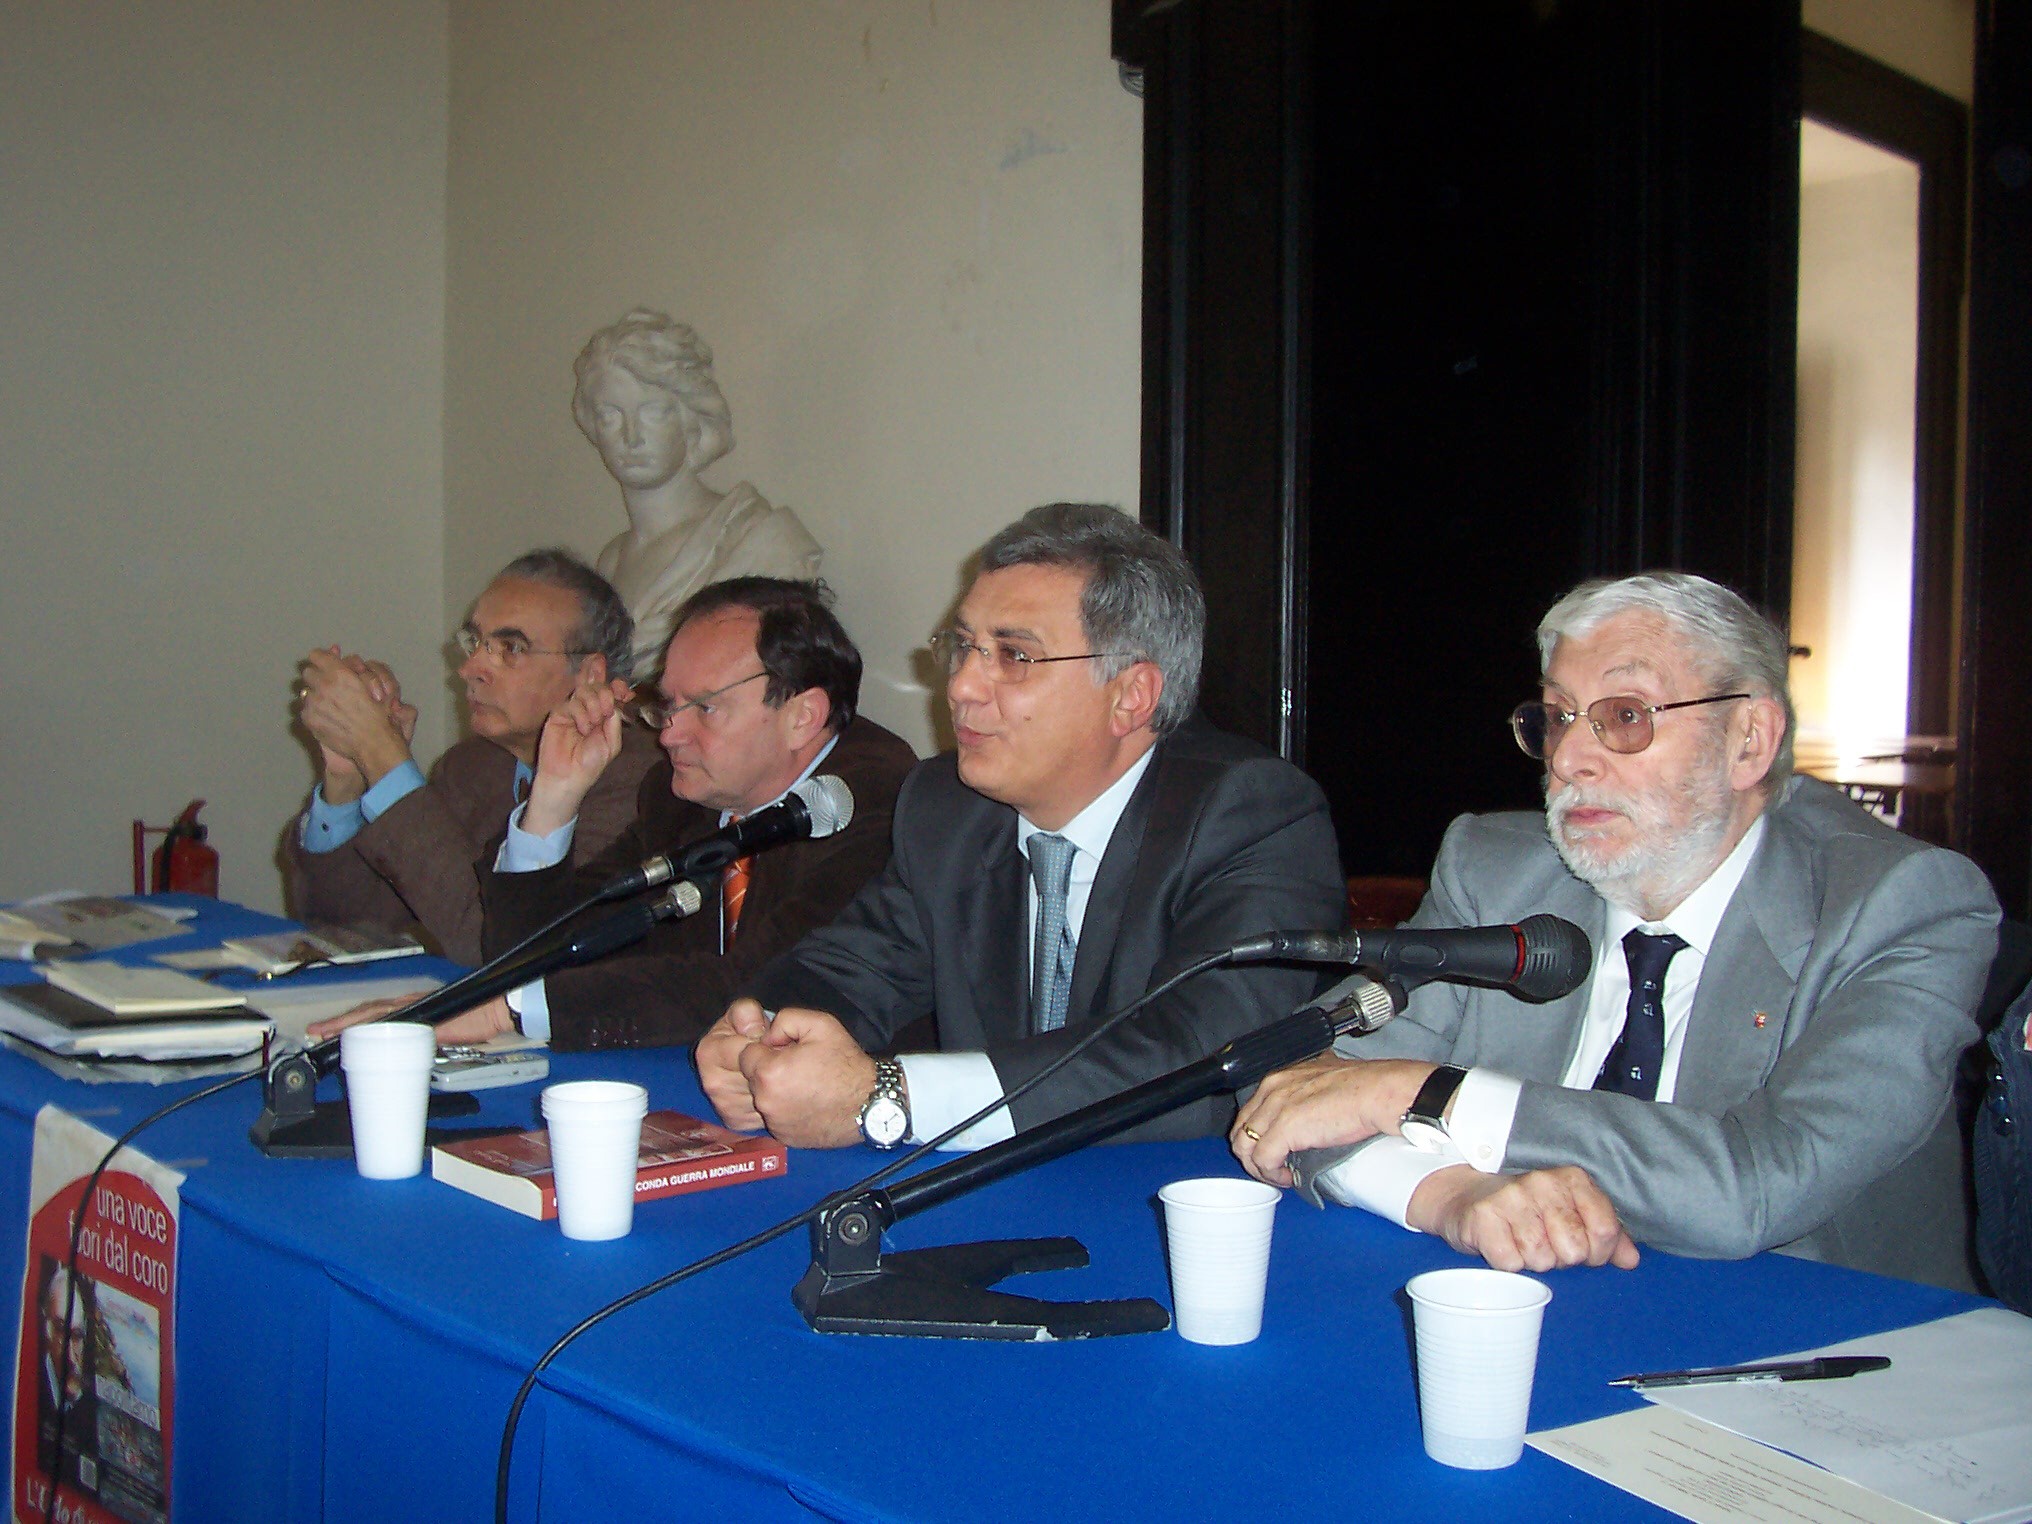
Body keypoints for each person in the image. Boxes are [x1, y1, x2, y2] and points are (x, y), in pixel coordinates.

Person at [1231, 572, 2000, 1287]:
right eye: (1558, 717)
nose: (1569, 758)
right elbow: (1304, 1096)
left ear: (1750, 741)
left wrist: (1430, 1094)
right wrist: (1449, 1195)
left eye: (1623, 717)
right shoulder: (1495, 870)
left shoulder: (1901, 905)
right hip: (1546, 1313)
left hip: (1823, 1352)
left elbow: (1758, 1187)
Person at [695, 503, 1346, 1151]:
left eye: (1013, 656)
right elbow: (850, 968)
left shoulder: (1253, 814)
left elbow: (1197, 1058)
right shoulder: (946, 807)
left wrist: (890, 1098)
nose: (963, 688)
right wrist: (762, 1034)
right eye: (964, 647)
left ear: (1131, 696)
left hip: (1176, 1203)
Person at [348, 577, 916, 1049]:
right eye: (668, 705)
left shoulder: (877, 803)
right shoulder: (677, 797)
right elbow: (536, 948)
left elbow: (765, 984)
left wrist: (508, 1011)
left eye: (705, 708)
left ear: (801, 716)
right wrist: (553, 798)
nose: (670, 734)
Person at [286, 549, 659, 964]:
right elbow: (347, 926)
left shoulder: (641, 782)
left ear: (590, 674)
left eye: (511, 648)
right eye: (475, 643)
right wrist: (348, 778)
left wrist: (384, 759)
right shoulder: (473, 767)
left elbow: (496, 949)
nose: (469, 669)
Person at [575, 309, 823, 678]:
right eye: (611, 415)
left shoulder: (758, 541)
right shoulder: (610, 562)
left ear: (692, 419)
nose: (631, 436)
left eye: (653, 412)